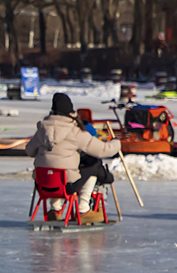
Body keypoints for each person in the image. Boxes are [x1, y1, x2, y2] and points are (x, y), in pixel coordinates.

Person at [25, 92, 121, 224]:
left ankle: (55, 209)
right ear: (70, 113)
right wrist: (116, 142)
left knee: (53, 168)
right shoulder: (74, 131)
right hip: (67, 186)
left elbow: (29, 151)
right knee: (94, 164)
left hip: (42, 185)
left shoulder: (42, 129)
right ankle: (83, 209)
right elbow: (103, 151)